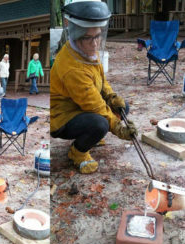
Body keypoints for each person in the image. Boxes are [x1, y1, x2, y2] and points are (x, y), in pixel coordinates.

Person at [50, 0, 137, 174]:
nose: (95, 43)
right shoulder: (72, 68)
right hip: (62, 116)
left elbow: (101, 82)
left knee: (121, 106)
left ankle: (91, 137)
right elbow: (94, 105)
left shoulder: (87, 51)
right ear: (76, 35)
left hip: (81, 105)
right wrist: (118, 129)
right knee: (101, 124)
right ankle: (77, 153)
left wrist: (112, 97)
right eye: (88, 37)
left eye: (98, 36)